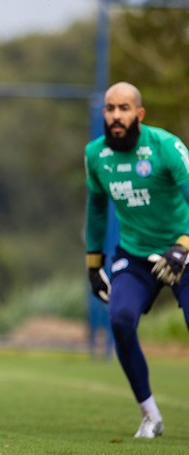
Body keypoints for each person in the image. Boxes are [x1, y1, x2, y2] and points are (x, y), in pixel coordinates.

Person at [84, 81, 189, 439]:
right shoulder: (95, 154)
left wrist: (184, 244)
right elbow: (96, 209)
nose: (116, 116)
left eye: (123, 109)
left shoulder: (167, 147)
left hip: (183, 250)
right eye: (110, 109)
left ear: (139, 114)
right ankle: (150, 415)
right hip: (136, 254)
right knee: (120, 319)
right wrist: (93, 264)